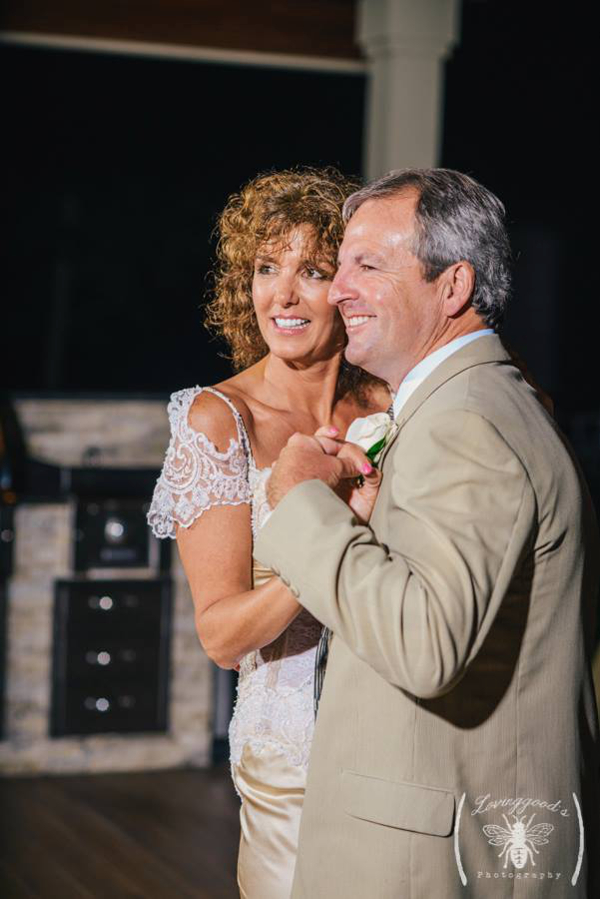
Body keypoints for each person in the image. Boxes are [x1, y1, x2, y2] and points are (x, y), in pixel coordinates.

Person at [254, 168, 600, 898]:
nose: (336, 288)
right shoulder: (469, 405)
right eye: (341, 263)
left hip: (422, 861)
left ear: (454, 287)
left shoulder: (467, 421)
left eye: (367, 265)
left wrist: (299, 503)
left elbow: (426, 643)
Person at [147, 167, 391, 898]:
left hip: (392, 736)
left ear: (349, 287)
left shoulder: (385, 403)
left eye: (311, 270)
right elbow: (222, 636)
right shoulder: (220, 422)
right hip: (290, 758)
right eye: (263, 268)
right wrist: (331, 540)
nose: (280, 295)